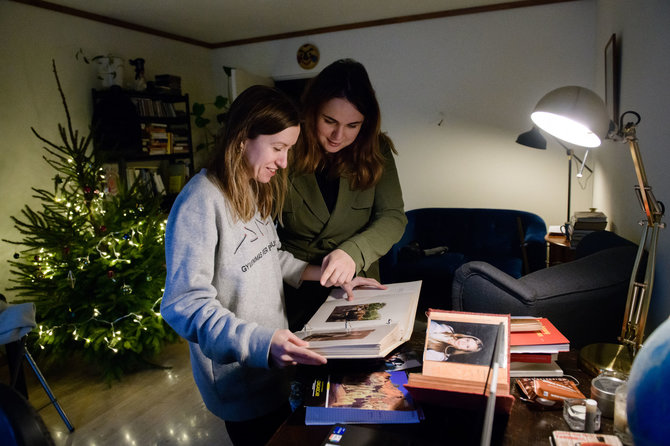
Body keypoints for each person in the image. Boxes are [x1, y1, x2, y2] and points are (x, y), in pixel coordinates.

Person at [160, 85, 382, 446]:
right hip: (241, 377)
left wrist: (328, 276)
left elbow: (269, 257)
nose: (283, 162)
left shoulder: (252, 186)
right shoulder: (200, 202)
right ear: (242, 138)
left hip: (273, 367)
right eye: (278, 148)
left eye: (288, 150)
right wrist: (262, 343)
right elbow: (184, 305)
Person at [278, 59, 408, 332]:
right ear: (311, 111)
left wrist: (352, 253)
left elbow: (393, 217)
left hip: (356, 285)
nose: (339, 135)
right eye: (329, 121)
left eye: (353, 125)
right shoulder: (286, 148)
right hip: (296, 287)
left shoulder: (376, 148)